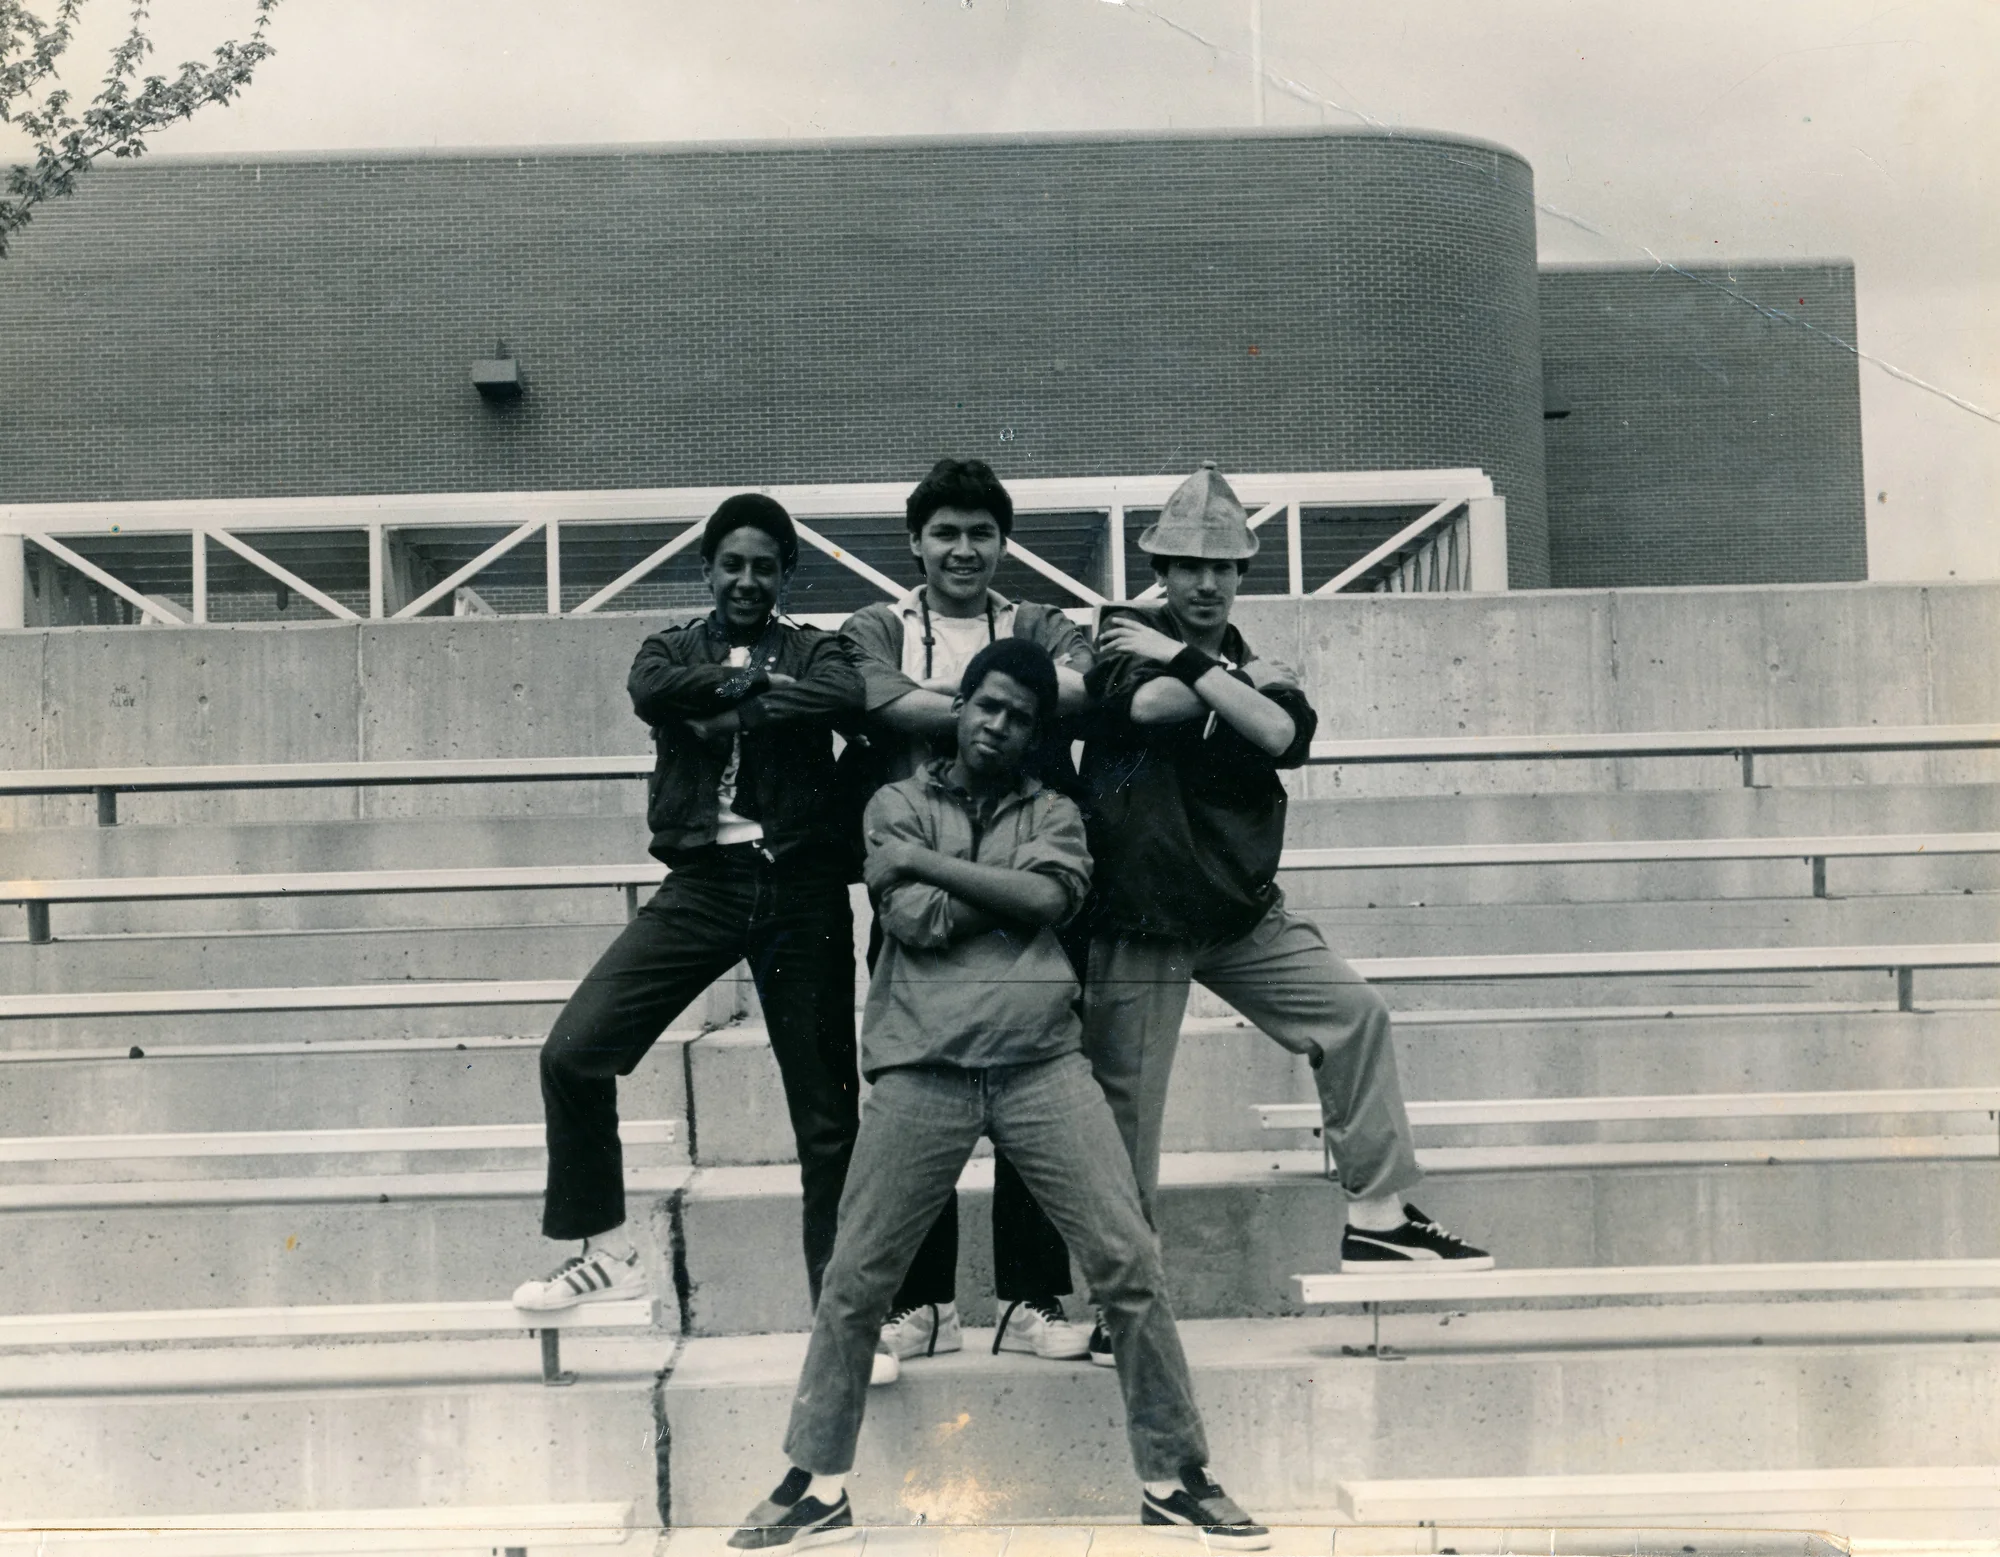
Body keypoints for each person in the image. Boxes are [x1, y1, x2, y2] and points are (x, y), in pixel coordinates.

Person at [728, 639, 1270, 1552]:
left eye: (1021, 715)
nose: (999, 724)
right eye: (986, 705)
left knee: (1128, 1262)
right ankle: (816, 1484)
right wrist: (1001, 892)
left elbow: (1051, 900)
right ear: (960, 706)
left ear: (1034, 729)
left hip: (1041, 1067)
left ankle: (1175, 1477)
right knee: (856, 1277)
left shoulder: (1057, 808)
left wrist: (936, 869)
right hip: (921, 1066)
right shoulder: (894, 799)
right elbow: (909, 918)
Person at [1076, 463, 1492, 1363]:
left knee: (1356, 1015)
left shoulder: (1236, 656)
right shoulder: (1117, 636)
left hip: (1235, 913)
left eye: (1222, 567)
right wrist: (1232, 679)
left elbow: (1280, 736)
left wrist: (1203, 668)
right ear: (1159, 564)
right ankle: (1124, 1306)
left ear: (1240, 575)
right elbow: (1144, 704)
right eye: (1186, 564)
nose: (1204, 582)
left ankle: (1379, 1216)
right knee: (1128, 1115)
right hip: (1138, 918)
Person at [513, 493, 865, 1317]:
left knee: (826, 1114)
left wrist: (731, 709)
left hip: (800, 886)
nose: (747, 580)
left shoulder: (819, 646)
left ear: (788, 573)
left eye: (764, 566)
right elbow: (652, 686)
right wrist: (753, 686)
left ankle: (847, 1317)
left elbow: (843, 694)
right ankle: (606, 1250)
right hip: (703, 884)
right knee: (573, 1051)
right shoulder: (667, 645)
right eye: (732, 564)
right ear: (706, 569)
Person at [835, 458, 1096, 1373]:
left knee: (1032, 1066)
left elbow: (1077, 686)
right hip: (917, 876)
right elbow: (868, 689)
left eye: (981, 532)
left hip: (1021, 864)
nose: (963, 549)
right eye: (945, 532)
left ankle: (1030, 1293)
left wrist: (942, 698)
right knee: (919, 1081)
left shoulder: (1040, 619)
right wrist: (1002, 695)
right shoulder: (877, 622)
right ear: (915, 541)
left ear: (1003, 542)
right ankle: (922, 1303)